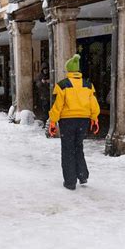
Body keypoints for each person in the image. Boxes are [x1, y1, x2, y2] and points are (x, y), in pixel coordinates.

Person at [48, 54, 100, 190]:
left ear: (68, 71)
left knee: (67, 149)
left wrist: (53, 122)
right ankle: (82, 175)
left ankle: (70, 181)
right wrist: (95, 119)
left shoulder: (62, 85)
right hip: (83, 121)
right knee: (78, 146)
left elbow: (57, 106)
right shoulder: (89, 85)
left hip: (67, 121)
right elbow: (94, 104)